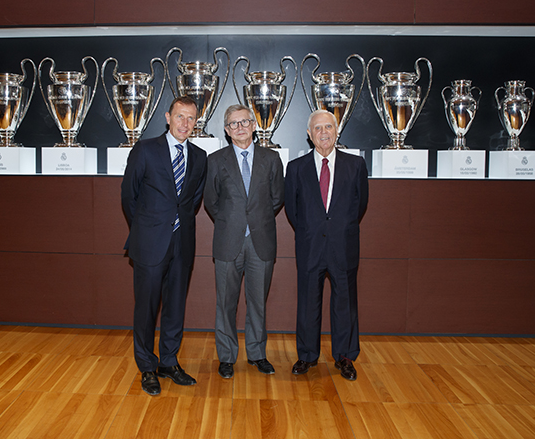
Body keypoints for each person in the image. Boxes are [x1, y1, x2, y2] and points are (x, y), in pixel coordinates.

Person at [121, 95, 207, 396]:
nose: (185, 123)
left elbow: (192, 201)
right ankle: (147, 367)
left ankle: (169, 362)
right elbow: (128, 196)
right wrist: (147, 230)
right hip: (149, 244)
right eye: (180, 116)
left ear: (196, 123)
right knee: (146, 308)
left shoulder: (199, 157)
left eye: (191, 118)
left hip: (182, 244)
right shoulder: (145, 150)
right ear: (168, 117)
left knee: (174, 307)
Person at [284, 110, 368, 381]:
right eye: (317, 128)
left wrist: (338, 228)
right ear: (309, 135)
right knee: (308, 302)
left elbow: (360, 205)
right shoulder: (295, 168)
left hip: (343, 245)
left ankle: (345, 357)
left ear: (337, 130)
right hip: (309, 245)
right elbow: (293, 210)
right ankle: (307, 356)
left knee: (345, 302)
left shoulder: (355, 165)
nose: (323, 132)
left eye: (328, 127)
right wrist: (312, 230)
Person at [203, 104, 284, 379]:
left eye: (244, 122)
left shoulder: (271, 159)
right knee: (225, 303)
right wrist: (233, 221)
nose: (240, 127)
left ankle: (257, 354)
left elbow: (276, 199)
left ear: (253, 125)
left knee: (257, 302)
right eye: (233, 124)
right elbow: (211, 202)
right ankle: (226, 357)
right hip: (228, 240)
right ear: (226, 130)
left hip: (261, 241)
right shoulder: (215, 160)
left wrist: (253, 220)